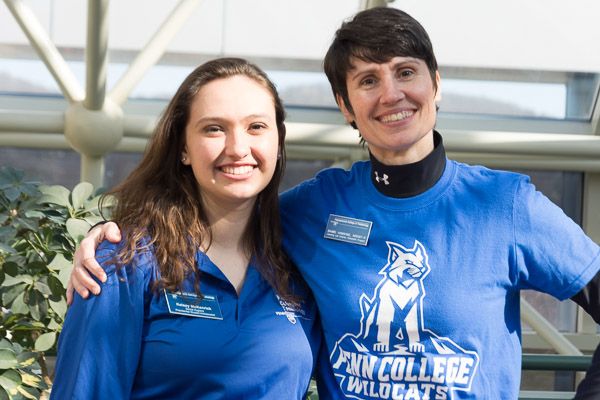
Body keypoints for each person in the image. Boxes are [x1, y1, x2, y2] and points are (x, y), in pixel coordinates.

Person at [67, 7, 600, 399]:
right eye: (368, 80)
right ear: (346, 106)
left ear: (436, 85)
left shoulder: (503, 204)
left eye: (406, 72)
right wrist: (105, 237)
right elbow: (213, 214)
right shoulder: (310, 212)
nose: (391, 94)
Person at [51, 57, 321, 399]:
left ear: (278, 142)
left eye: (256, 127)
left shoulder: (298, 263)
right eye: (214, 128)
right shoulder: (123, 263)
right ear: (183, 148)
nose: (238, 149)